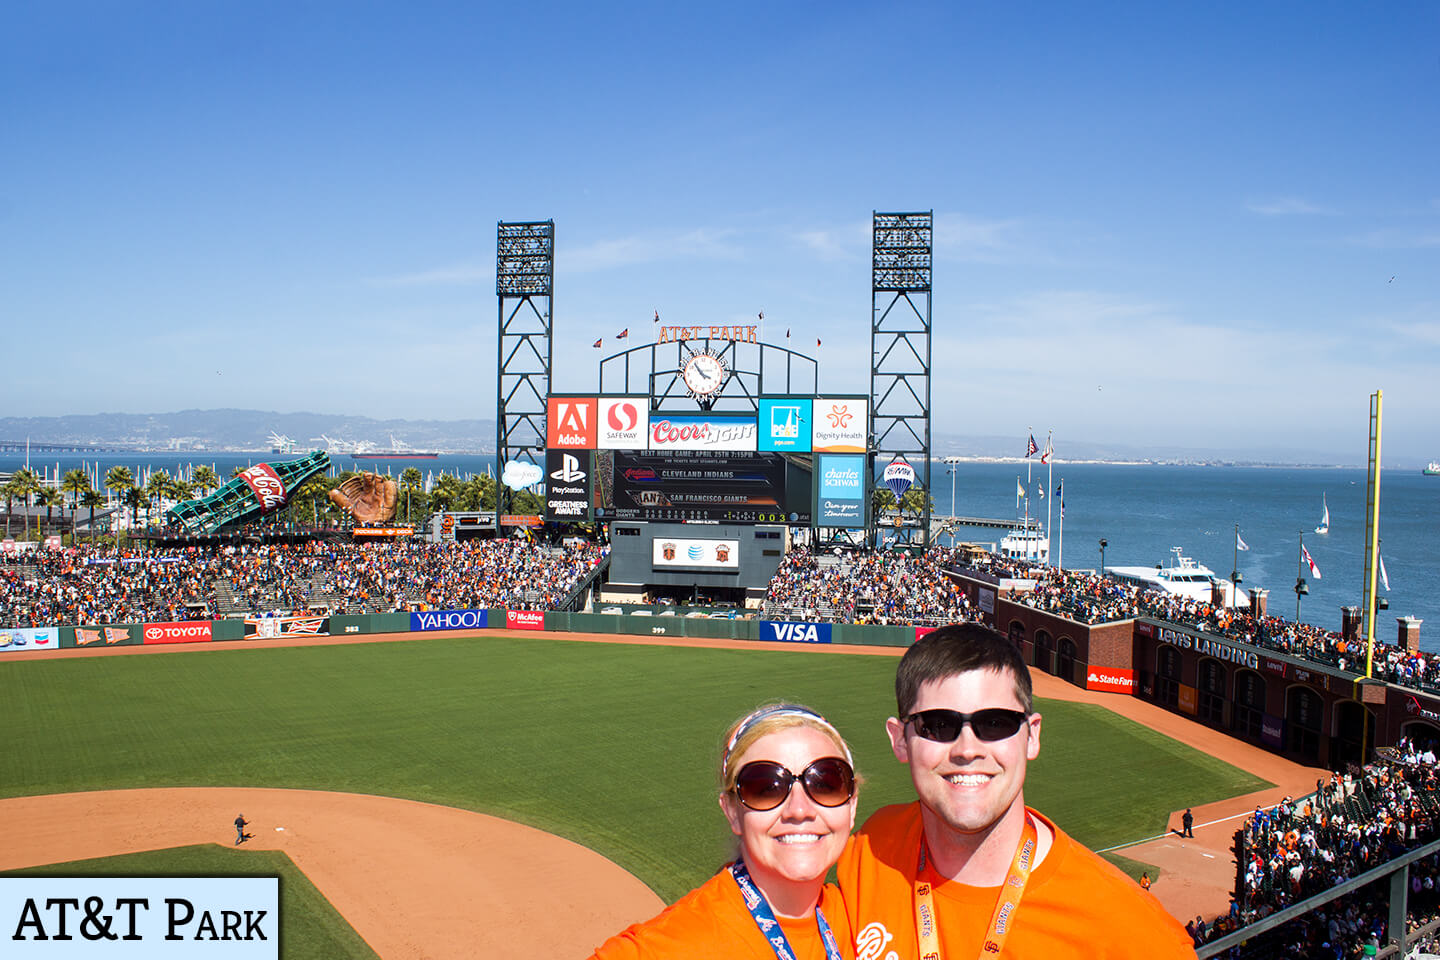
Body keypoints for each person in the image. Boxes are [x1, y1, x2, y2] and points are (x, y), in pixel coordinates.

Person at [837, 623, 1195, 958]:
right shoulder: (869, 850)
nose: (967, 749)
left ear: (1032, 736)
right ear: (900, 741)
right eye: (937, 725)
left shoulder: (1138, 938)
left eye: (995, 723)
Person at [590, 703, 858, 959]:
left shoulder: (865, 923)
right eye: (766, 788)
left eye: (825, 783)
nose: (799, 810)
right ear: (732, 812)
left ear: (852, 804)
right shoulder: (673, 944)